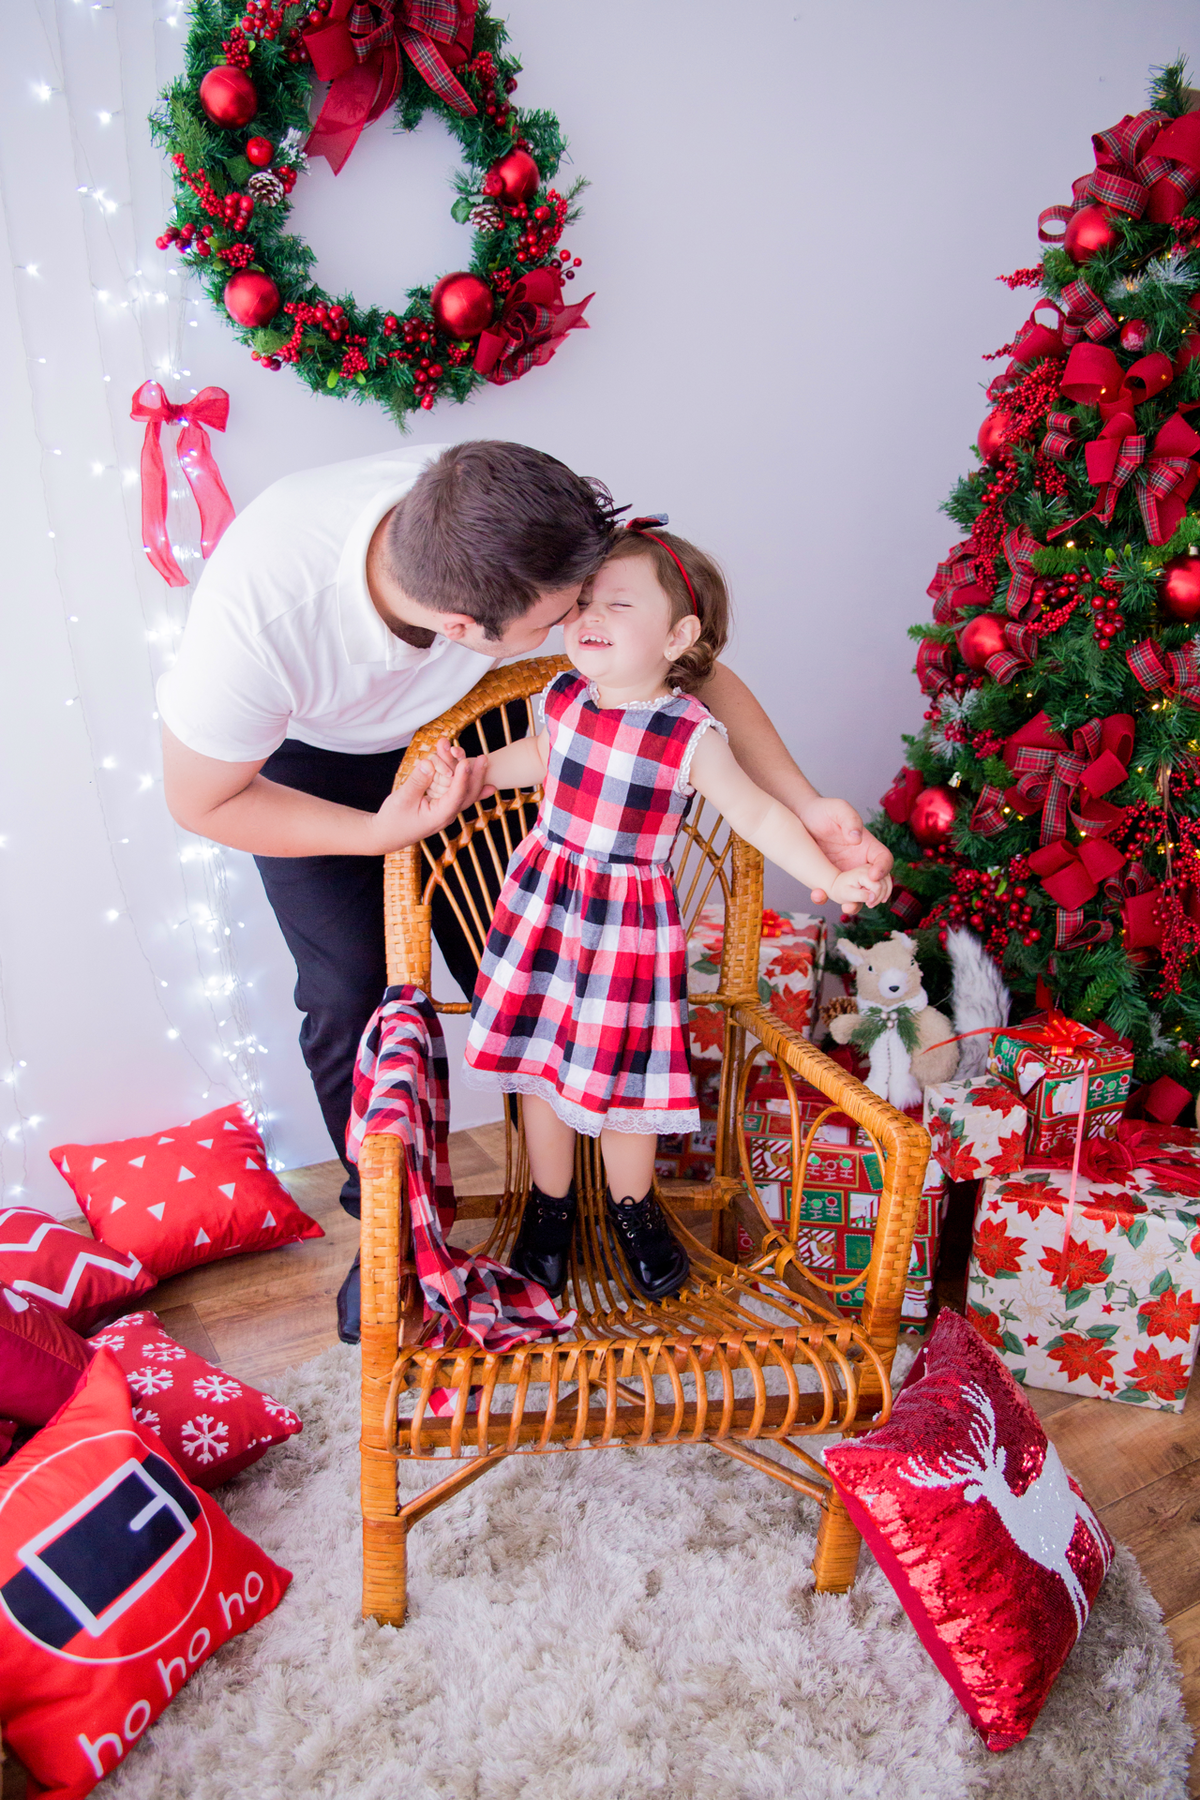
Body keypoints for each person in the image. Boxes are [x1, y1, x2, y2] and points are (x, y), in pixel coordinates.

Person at [158, 444, 892, 1340]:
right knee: (352, 990)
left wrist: (807, 806)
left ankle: (587, 1195)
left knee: (537, 988)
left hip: (521, 770)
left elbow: (685, 671)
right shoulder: (261, 621)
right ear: (468, 627)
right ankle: (390, 1225)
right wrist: (378, 832)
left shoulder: (506, 513)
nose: (577, 627)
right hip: (318, 762)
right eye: (564, 616)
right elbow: (202, 799)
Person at [431, 522, 888, 1301]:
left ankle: (633, 1210)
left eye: (617, 603)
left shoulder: (689, 735)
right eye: (581, 604)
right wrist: (472, 775)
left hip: (624, 931)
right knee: (538, 1070)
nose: (588, 618)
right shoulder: (565, 698)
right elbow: (539, 761)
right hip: (544, 910)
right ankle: (550, 1208)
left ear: (679, 636)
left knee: (622, 1080)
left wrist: (828, 873)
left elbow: (760, 815)